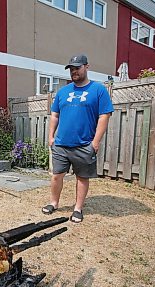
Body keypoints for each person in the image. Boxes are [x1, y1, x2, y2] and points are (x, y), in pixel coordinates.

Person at [41, 54, 113, 223]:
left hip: (84, 145)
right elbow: (55, 115)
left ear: (86, 67)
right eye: (71, 69)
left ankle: (78, 208)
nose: (74, 71)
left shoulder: (98, 90)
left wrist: (95, 142)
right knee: (56, 175)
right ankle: (54, 202)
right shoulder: (63, 92)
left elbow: (104, 116)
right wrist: (51, 137)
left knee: (82, 177)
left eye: (77, 68)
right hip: (60, 144)